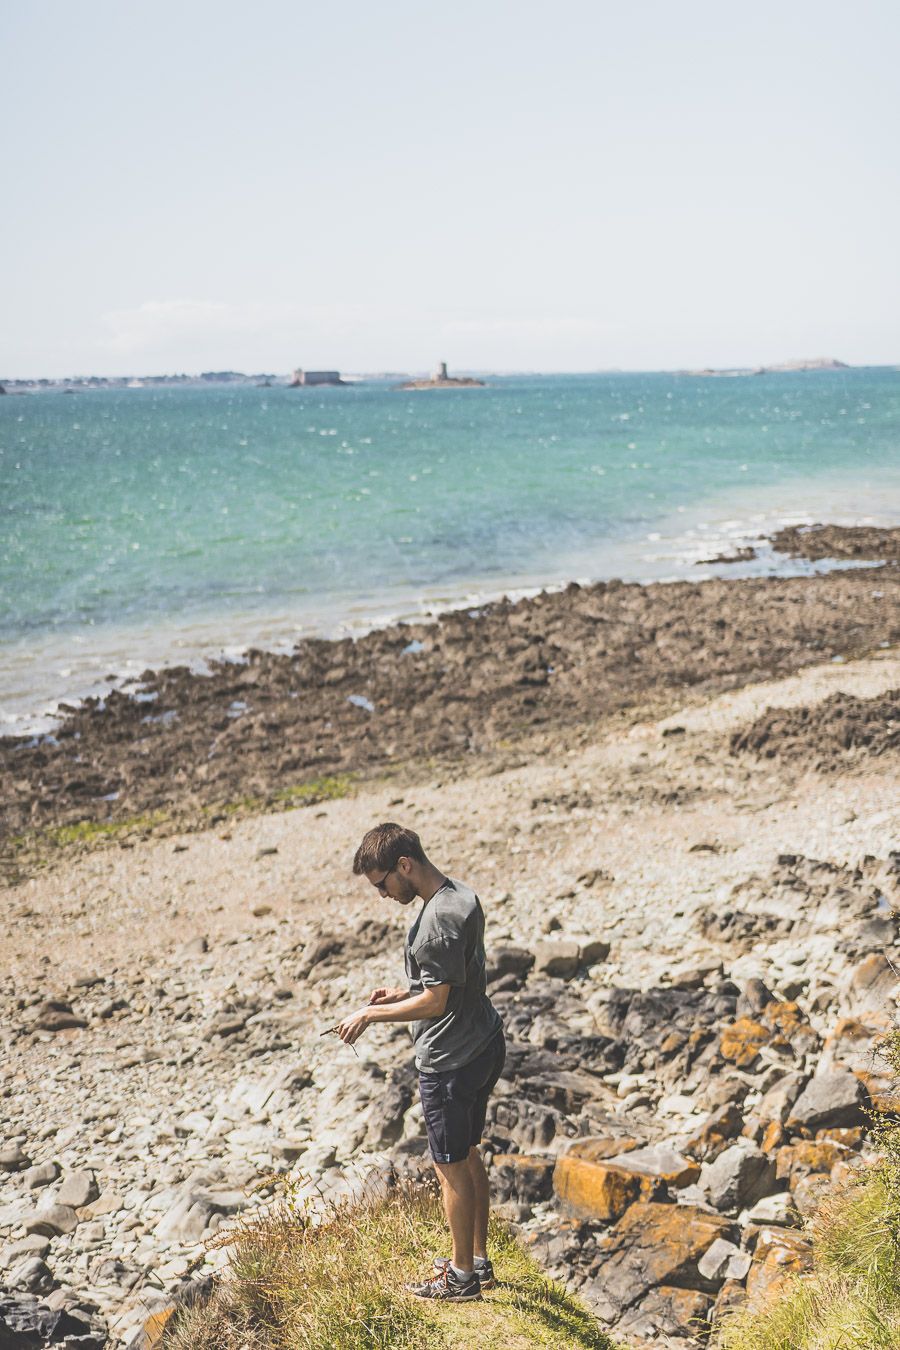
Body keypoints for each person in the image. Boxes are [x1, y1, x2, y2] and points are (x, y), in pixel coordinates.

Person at [336, 822, 505, 1303]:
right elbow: (453, 979)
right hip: (483, 1041)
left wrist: (372, 1013)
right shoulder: (458, 895)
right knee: (469, 1153)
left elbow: (435, 1002)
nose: (383, 895)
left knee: (449, 1163)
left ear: (404, 866)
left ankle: (461, 1279)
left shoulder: (435, 924)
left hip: (450, 1062)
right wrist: (400, 991)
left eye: (382, 883)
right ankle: (478, 1262)